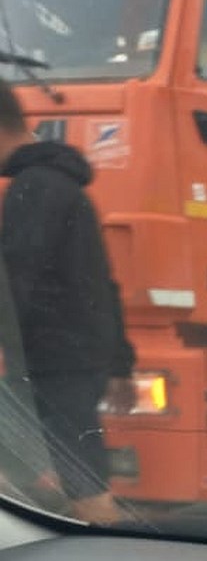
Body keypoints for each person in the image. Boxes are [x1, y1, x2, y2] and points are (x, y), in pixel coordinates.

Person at [0, 79, 136, 524]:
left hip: (54, 361)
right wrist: (120, 365)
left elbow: (15, 278)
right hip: (76, 359)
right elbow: (103, 285)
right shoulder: (67, 187)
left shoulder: (33, 188)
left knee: (85, 491)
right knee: (67, 481)